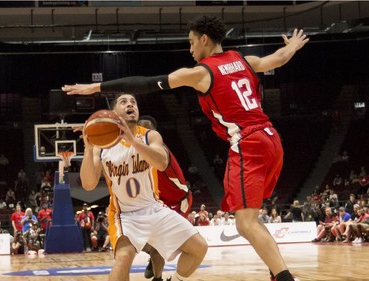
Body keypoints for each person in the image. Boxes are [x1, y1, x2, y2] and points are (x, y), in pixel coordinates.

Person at [62, 15, 308, 281]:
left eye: (191, 43)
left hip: (247, 141)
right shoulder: (243, 60)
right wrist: (293, 45)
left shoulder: (201, 72)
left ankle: (284, 277)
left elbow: (144, 83)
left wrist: (96, 87)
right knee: (251, 219)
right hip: (272, 138)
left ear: (204, 39)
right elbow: (279, 58)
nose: (190, 50)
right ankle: (276, 272)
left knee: (245, 223)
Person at [74, 93, 207, 281]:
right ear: (113, 113)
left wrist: (133, 141)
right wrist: (88, 149)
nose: (130, 104)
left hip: (154, 208)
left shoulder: (150, 136)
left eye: (133, 102)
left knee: (199, 248)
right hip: (125, 215)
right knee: (124, 257)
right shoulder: (101, 146)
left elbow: (161, 163)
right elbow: (88, 185)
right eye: (124, 102)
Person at [138, 115, 194, 280]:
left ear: (154, 133)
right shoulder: (136, 150)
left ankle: (158, 276)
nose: (144, 132)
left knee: (160, 243)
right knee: (128, 235)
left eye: (147, 129)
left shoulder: (158, 149)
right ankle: (153, 256)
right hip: (158, 201)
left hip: (178, 201)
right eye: (141, 128)